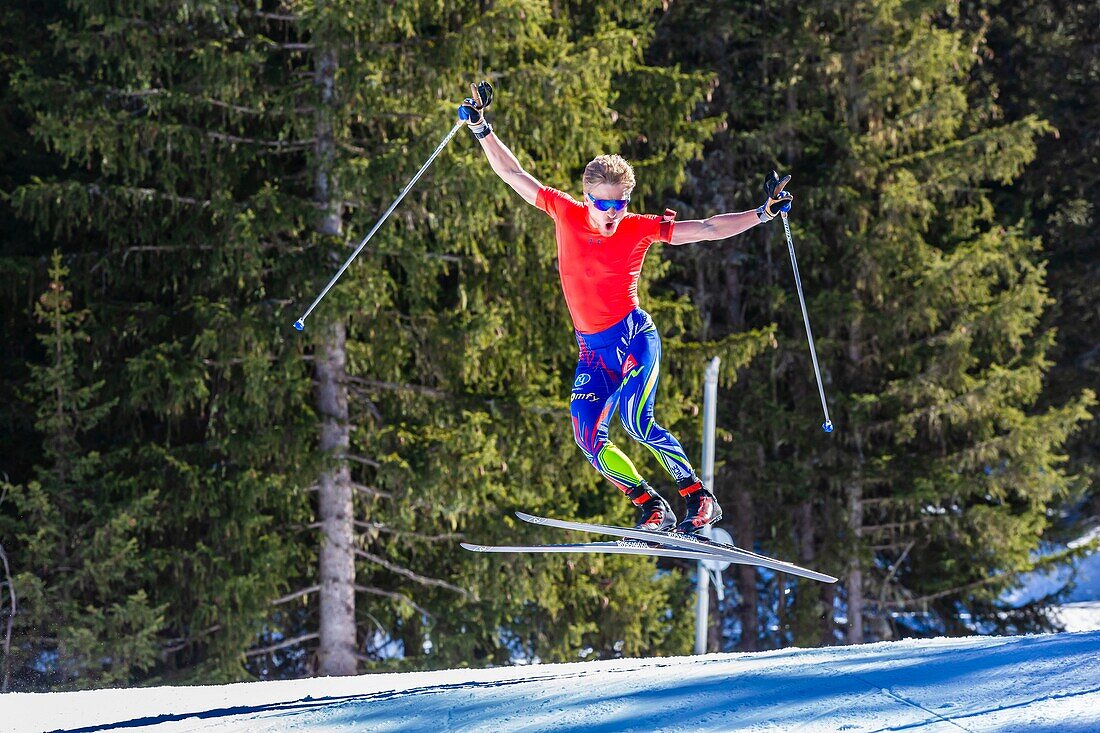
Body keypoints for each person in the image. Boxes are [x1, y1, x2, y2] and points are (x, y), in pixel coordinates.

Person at [458, 82, 792, 534]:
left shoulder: (638, 228)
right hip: (593, 351)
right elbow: (514, 175)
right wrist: (481, 129)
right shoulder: (564, 212)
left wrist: (762, 213)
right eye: (602, 203)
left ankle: (697, 496)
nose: (611, 212)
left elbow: (709, 228)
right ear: (586, 196)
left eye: (620, 203)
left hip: (634, 337)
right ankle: (650, 504)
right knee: (587, 437)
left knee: (637, 419)